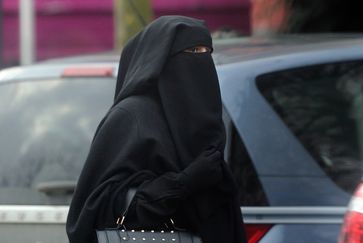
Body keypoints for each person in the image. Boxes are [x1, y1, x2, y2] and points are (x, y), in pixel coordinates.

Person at [66, 16, 247, 243]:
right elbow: (95, 208)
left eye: (205, 51)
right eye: (192, 51)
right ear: (162, 61)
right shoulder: (132, 117)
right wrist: (183, 183)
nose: (202, 61)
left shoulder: (203, 118)